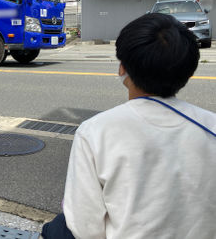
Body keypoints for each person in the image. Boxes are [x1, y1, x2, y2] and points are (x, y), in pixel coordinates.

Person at [42, 13, 216, 238]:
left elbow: (85, 228)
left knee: (56, 228)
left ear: (122, 68)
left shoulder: (95, 131)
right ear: (189, 72)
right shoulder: (211, 125)